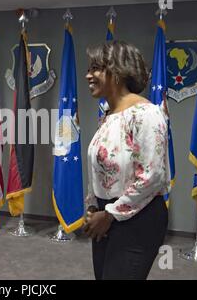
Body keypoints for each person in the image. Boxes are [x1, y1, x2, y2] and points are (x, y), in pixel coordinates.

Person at [83, 40, 169, 280]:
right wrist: (93, 207)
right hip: (105, 216)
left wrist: (110, 214)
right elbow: (100, 168)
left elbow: (152, 177)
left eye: (95, 68)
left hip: (137, 220)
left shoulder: (147, 114)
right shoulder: (109, 116)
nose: (88, 75)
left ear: (118, 71)